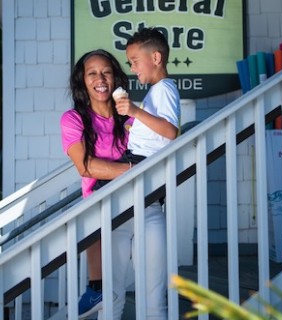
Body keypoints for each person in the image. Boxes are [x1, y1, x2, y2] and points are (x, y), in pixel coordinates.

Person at [106, 27, 181, 320]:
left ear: (157, 57)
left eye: (135, 61)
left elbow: (170, 131)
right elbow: (157, 132)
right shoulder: (156, 93)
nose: (132, 67)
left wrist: (135, 113)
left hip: (142, 183)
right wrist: (134, 126)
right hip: (137, 184)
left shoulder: (164, 89)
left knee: (126, 288)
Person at [60, 49, 131, 318]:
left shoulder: (129, 115)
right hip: (103, 212)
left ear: (115, 78)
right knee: (112, 297)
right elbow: (85, 165)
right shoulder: (74, 119)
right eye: (92, 73)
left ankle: (96, 288)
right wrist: (133, 169)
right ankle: (95, 287)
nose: (100, 79)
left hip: (139, 206)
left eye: (106, 72)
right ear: (82, 81)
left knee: (131, 291)